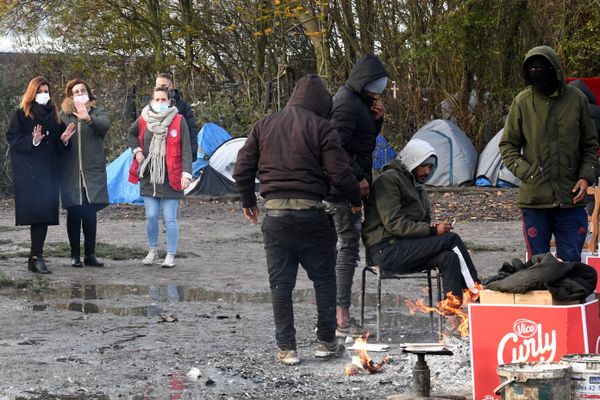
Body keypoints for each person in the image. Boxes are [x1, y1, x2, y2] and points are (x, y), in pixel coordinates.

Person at [234, 74, 363, 366]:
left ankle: (287, 349)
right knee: (324, 279)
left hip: (275, 218)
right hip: (311, 216)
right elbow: (340, 173)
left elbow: (242, 167)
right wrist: (356, 200)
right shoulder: (322, 127)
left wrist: (248, 201)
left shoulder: (264, 125)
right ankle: (326, 341)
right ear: (322, 104)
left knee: (280, 284)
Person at [500, 46, 598, 262]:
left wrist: (585, 177)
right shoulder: (522, 102)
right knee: (538, 266)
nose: (538, 71)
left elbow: (590, 144)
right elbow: (507, 146)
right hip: (535, 201)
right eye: (532, 68)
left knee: (571, 264)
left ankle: (570, 297)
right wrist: (528, 172)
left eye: (542, 67)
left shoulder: (577, 100)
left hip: (571, 198)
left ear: (554, 68)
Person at [362, 139, 479, 303]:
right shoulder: (388, 180)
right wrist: (432, 231)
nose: (427, 171)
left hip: (407, 249)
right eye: (423, 165)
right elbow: (395, 224)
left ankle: (452, 316)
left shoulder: (418, 187)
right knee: (451, 239)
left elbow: (423, 222)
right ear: (412, 161)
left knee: (448, 257)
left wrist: (432, 228)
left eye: (431, 167)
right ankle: (476, 293)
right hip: (385, 250)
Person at [326, 53, 388, 337]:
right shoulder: (346, 104)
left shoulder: (359, 102)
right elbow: (335, 147)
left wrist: (377, 122)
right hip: (342, 190)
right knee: (346, 251)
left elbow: (360, 141)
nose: (379, 88)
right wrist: (359, 176)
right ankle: (341, 318)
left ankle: (335, 316)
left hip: (348, 186)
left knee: (344, 252)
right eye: (375, 82)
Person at [6, 76, 75, 274]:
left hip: (49, 172)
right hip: (30, 173)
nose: (44, 95)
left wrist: (64, 140)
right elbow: (12, 138)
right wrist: (32, 140)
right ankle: (36, 256)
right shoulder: (22, 113)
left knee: (44, 215)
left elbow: (62, 143)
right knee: (36, 214)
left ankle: (36, 256)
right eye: (40, 91)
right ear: (32, 93)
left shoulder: (54, 115)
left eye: (46, 91)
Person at [128, 86, 193, 268]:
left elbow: (186, 149)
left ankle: (170, 254)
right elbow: (131, 134)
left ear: (170, 102)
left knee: (169, 218)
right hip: (149, 177)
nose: (160, 103)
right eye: (156, 99)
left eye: (163, 100)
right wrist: (137, 151)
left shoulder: (179, 121)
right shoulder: (144, 118)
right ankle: (152, 250)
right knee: (151, 216)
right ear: (151, 101)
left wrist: (186, 174)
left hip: (171, 177)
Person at [60, 79, 111, 268]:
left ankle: (90, 254)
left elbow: (104, 127)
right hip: (71, 173)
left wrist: (88, 118)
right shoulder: (63, 115)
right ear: (70, 96)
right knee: (74, 214)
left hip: (92, 173)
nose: (80, 93)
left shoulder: (97, 111)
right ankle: (75, 255)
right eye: (76, 91)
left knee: (89, 213)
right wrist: (63, 140)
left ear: (88, 93)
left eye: (83, 90)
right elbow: (57, 144)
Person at [155, 72, 199, 162]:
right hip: (157, 153)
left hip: (177, 153)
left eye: (164, 85)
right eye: (158, 85)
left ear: (171, 86)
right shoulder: (150, 107)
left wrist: (192, 153)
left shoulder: (183, 106)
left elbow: (191, 129)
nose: (161, 88)